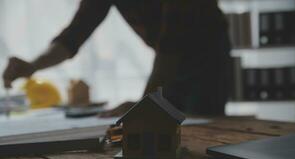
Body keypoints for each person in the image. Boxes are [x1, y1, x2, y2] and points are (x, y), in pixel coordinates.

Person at [2, 0, 231, 116]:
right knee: (166, 129)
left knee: (203, 129)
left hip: (207, 57)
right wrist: (32, 66)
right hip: (168, 59)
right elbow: (74, 34)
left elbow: (173, 44)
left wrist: (144, 107)